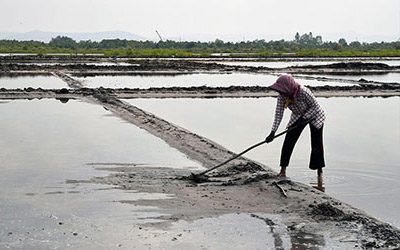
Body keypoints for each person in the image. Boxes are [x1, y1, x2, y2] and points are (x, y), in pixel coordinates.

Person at [265, 74, 326, 190]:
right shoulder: (282, 97)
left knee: (316, 144)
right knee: (289, 140)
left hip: (316, 115)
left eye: (283, 90)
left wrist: (305, 119)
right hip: (298, 116)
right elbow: (279, 114)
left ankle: (319, 173)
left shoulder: (304, 92)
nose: (282, 93)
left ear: (289, 87)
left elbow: (315, 107)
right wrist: (272, 132)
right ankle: (282, 171)